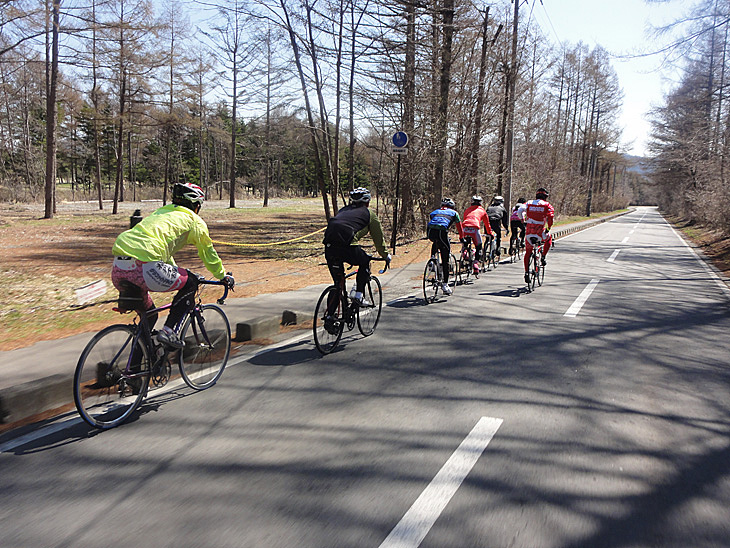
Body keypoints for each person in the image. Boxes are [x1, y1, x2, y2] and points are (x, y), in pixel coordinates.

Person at [111, 182, 235, 349]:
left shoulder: (161, 212)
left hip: (119, 268)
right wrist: (222, 275)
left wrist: (176, 270)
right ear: (196, 206)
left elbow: (162, 254)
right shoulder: (194, 220)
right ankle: (169, 331)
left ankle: (135, 370)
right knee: (190, 282)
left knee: (149, 317)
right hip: (145, 268)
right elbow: (208, 253)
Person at [323, 187, 390, 306]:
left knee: (338, 284)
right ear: (367, 201)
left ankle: (330, 317)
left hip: (329, 247)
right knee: (365, 261)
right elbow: (378, 239)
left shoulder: (343, 210)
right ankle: (359, 295)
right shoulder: (369, 214)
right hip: (348, 247)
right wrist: (385, 255)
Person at [427, 197, 465, 295]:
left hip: (430, 231)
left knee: (435, 242)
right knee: (445, 259)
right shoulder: (454, 213)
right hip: (441, 231)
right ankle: (445, 285)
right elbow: (459, 227)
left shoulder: (435, 211)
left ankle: (432, 260)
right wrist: (462, 238)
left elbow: (433, 218)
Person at [518, 187, 554, 284]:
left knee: (528, 252)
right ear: (545, 197)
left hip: (529, 232)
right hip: (540, 232)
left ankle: (526, 272)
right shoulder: (547, 205)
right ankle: (543, 256)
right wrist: (548, 227)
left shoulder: (529, 203)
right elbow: (550, 217)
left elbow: (520, 210)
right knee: (549, 238)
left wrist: (522, 220)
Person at [461, 195, 494, 275]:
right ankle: (475, 263)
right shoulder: (482, 211)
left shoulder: (467, 210)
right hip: (475, 229)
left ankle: (465, 254)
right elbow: (487, 224)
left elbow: (465, 219)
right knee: (479, 246)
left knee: (465, 244)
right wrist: (490, 233)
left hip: (465, 228)